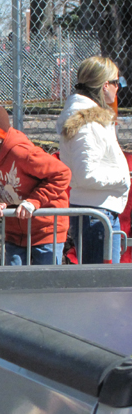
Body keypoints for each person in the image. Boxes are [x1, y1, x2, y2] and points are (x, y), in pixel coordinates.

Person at [0, 102, 71, 265]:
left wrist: (34, 202)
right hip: (14, 233)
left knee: (46, 278)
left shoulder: (22, 153)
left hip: (46, 229)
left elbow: (61, 173)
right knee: (13, 277)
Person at [55, 56, 130, 264]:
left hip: (99, 210)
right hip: (95, 214)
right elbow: (86, 174)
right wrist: (122, 177)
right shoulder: (86, 123)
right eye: (116, 82)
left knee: (105, 278)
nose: (118, 88)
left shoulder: (91, 119)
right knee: (100, 280)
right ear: (105, 85)